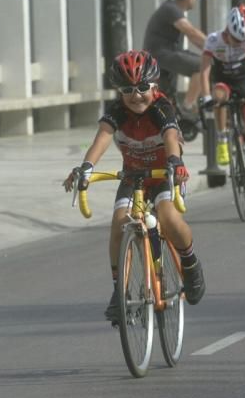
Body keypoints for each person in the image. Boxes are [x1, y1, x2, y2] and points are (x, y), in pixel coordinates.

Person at [63, 51, 206, 324]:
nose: (136, 95)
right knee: (118, 223)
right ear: (119, 92)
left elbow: (171, 136)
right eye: (127, 90)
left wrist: (175, 161)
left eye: (142, 88)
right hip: (133, 176)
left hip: (165, 173)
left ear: (154, 87)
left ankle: (191, 264)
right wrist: (86, 167)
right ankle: (120, 291)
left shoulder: (161, 108)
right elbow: (102, 139)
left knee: (167, 215)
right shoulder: (117, 112)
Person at [197, 3, 245, 205]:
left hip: (244, 80)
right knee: (218, 96)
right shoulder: (213, 41)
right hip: (224, 80)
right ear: (228, 31)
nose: (240, 43)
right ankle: (222, 139)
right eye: (236, 39)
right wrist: (205, 96)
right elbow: (204, 71)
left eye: (243, 40)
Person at [142, 0, 207, 113]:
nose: (196, 1)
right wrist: (215, 46)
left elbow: (194, 38)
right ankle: (188, 106)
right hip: (161, 55)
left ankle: (174, 121)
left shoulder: (173, 10)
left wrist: (209, 50)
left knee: (166, 99)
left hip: (164, 54)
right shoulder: (171, 9)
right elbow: (191, 32)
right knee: (202, 66)